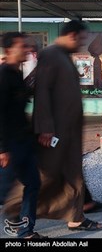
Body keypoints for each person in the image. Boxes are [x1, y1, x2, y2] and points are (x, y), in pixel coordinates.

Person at [3, 20, 102, 231]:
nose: (82, 43)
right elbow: (42, 94)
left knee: (73, 173)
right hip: (53, 132)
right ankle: (14, 210)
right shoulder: (51, 55)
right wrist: (45, 127)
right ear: (73, 35)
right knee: (44, 175)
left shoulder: (61, 56)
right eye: (82, 39)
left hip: (68, 132)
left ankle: (76, 216)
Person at [0, 32, 45, 239]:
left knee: (33, 183)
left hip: (23, 142)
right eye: (22, 46)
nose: (27, 49)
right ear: (9, 50)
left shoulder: (17, 74)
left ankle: (25, 231)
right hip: (9, 146)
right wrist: (2, 149)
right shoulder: (3, 76)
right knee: (3, 192)